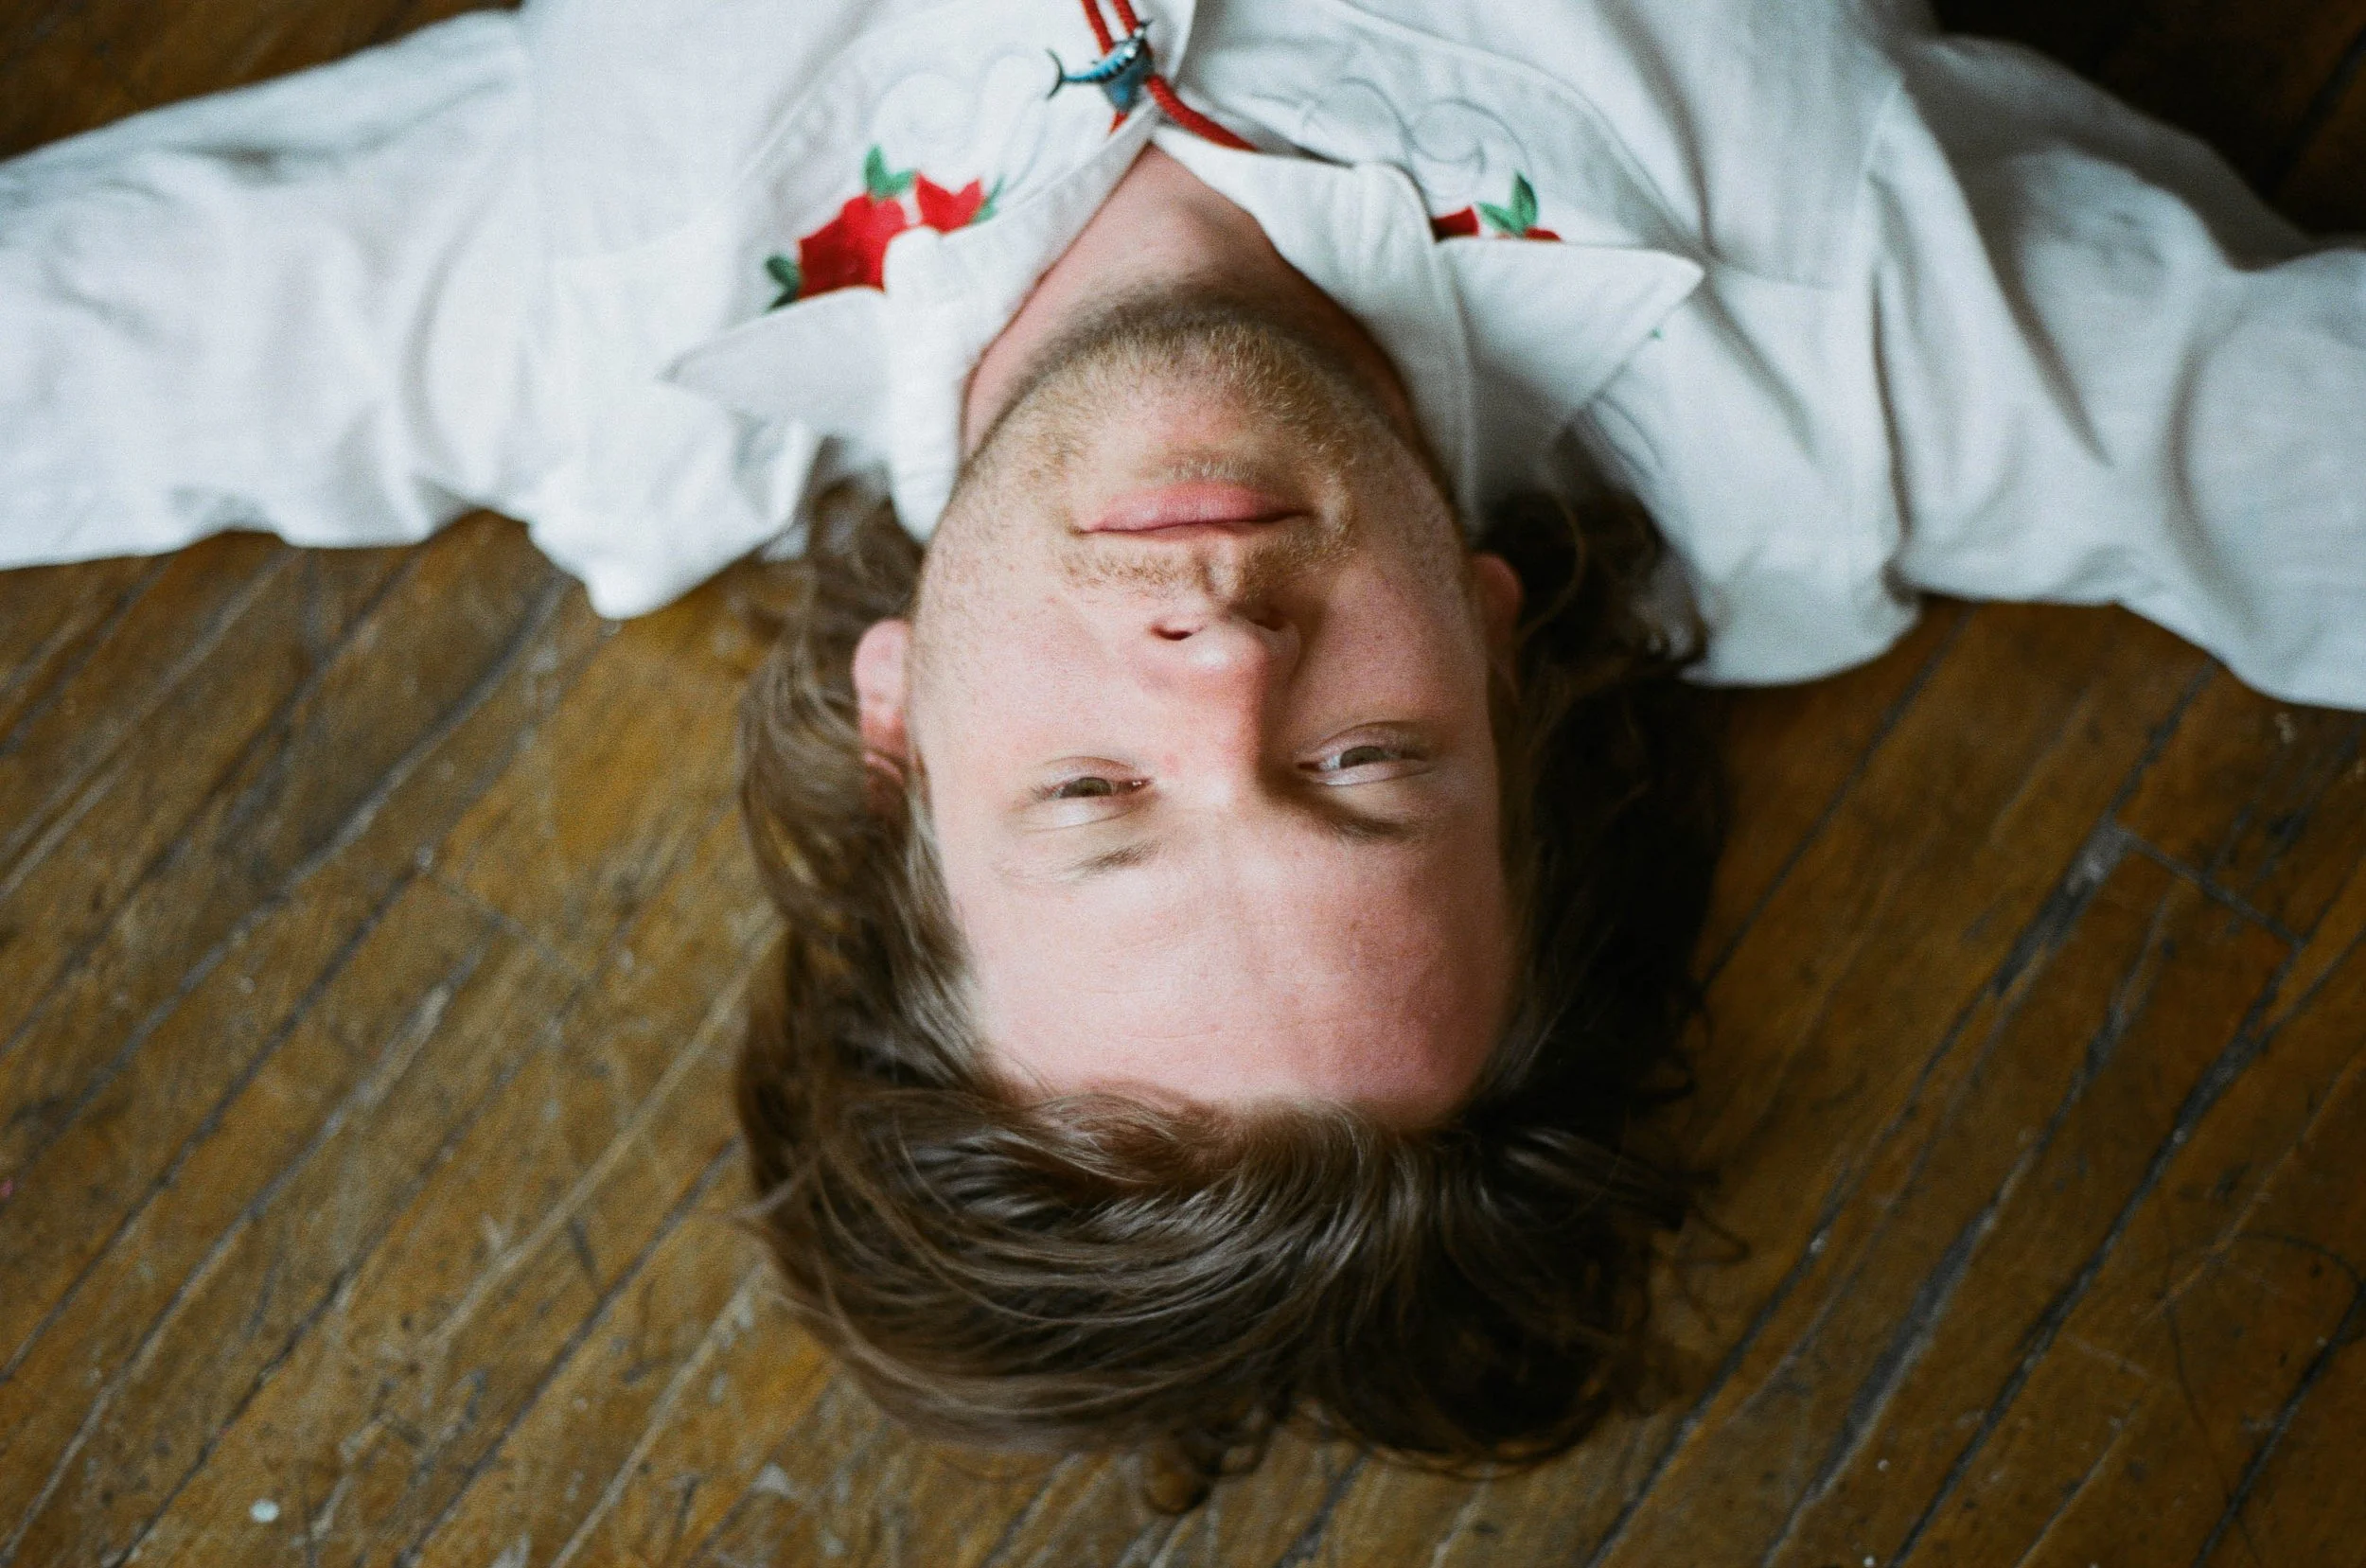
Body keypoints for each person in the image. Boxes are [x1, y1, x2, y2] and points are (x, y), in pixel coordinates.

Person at [3, 0, 2360, 1506]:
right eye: (1358, 770)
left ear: (901, 721)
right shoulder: (1863, 336)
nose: (1216, 659)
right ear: (1494, 639)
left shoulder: (589, 300)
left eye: (1096, 800)